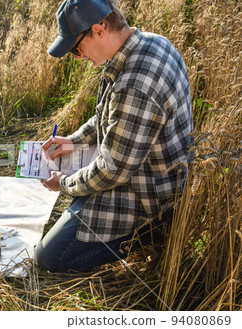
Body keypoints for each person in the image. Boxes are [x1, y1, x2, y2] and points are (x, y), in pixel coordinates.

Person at [34, 0, 194, 273]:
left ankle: (152, 234)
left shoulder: (134, 83)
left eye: (76, 48)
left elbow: (111, 171)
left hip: (150, 199)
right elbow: (111, 116)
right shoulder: (150, 44)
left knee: (49, 257)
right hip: (141, 172)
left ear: (98, 30)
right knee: (80, 197)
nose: (79, 57)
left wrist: (65, 183)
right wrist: (74, 140)